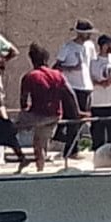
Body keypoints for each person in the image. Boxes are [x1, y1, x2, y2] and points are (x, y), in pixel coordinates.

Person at [17, 42, 81, 172]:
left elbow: (23, 99)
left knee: (7, 128)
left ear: (31, 59)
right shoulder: (57, 75)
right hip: (54, 115)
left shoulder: (30, 76)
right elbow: (70, 93)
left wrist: (25, 111)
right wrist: (77, 112)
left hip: (37, 115)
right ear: (46, 59)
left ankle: (19, 153)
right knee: (40, 142)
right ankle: (40, 168)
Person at [55, 19, 97, 158]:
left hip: (86, 86)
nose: (89, 36)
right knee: (74, 117)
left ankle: (71, 145)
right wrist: (71, 68)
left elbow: (92, 63)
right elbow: (57, 66)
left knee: (81, 119)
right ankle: (70, 150)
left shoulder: (90, 46)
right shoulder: (68, 47)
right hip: (72, 86)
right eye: (87, 33)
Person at [89, 34, 111, 151]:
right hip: (97, 103)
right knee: (97, 135)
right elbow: (88, 79)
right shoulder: (93, 61)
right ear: (104, 46)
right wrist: (100, 83)